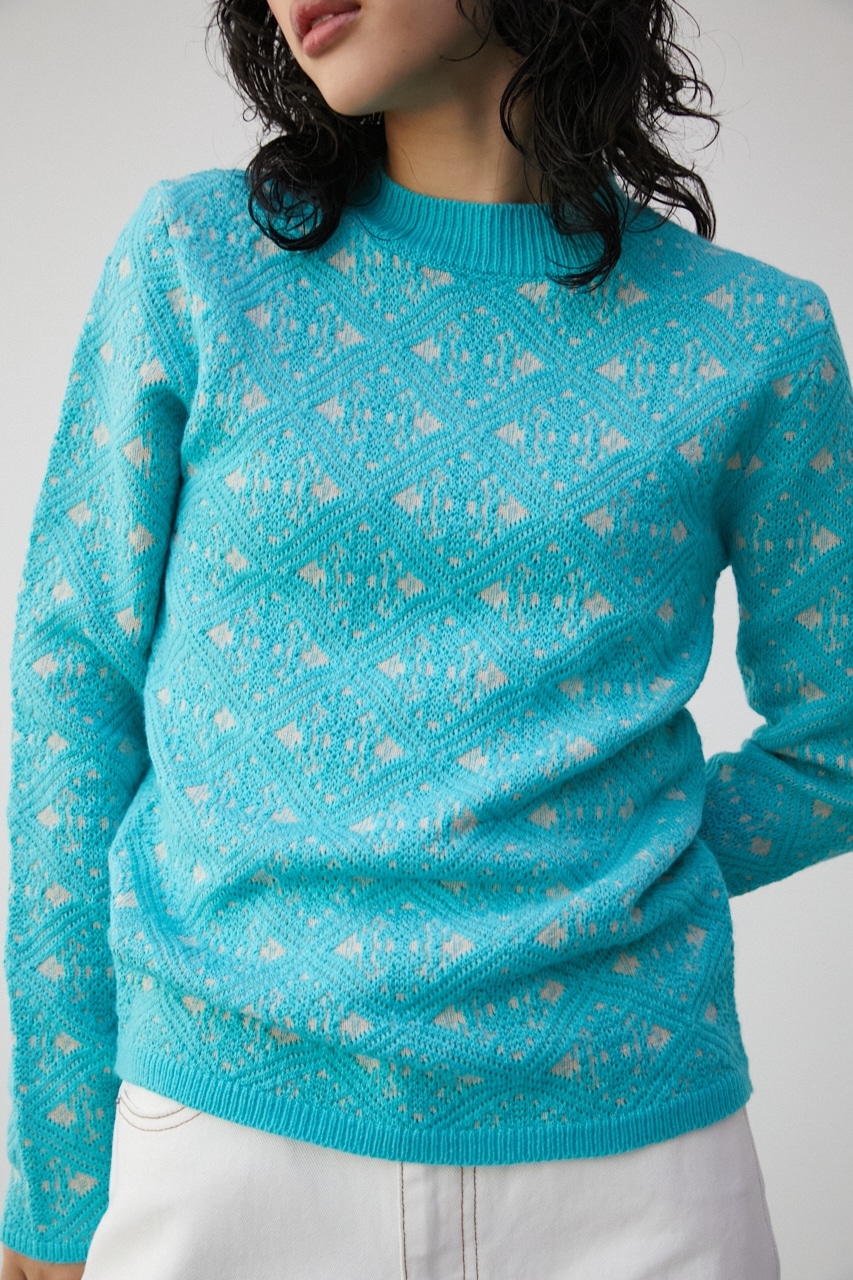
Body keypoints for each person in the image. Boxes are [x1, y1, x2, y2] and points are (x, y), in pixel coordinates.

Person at [2, 0, 851, 1275]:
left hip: (634, 1170)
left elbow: (840, 738)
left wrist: (615, 870)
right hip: (229, 1143)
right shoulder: (196, 260)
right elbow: (73, 698)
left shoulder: (754, 340)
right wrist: (56, 1175)